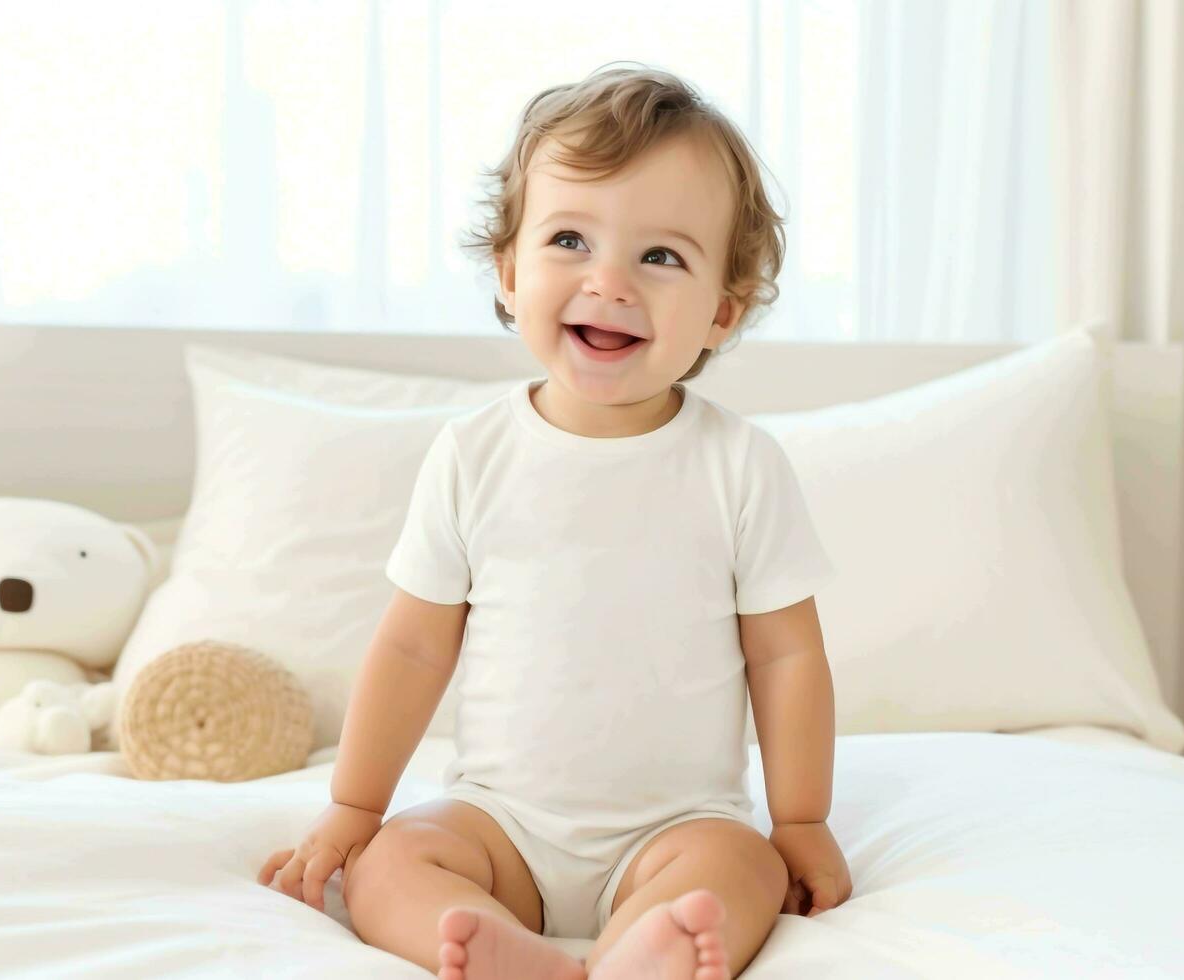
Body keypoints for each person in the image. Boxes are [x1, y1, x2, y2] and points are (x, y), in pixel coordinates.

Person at [258, 63, 851, 980]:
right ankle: (500, 949)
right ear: (508, 268)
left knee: (740, 872)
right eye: (570, 239)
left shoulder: (738, 465)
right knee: (389, 869)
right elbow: (414, 649)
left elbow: (786, 657)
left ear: (721, 313)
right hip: (500, 824)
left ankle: (646, 949)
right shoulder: (471, 454)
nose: (608, 282)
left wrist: (800, 821)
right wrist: (355, 808)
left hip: (678, 826)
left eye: (660, 256)